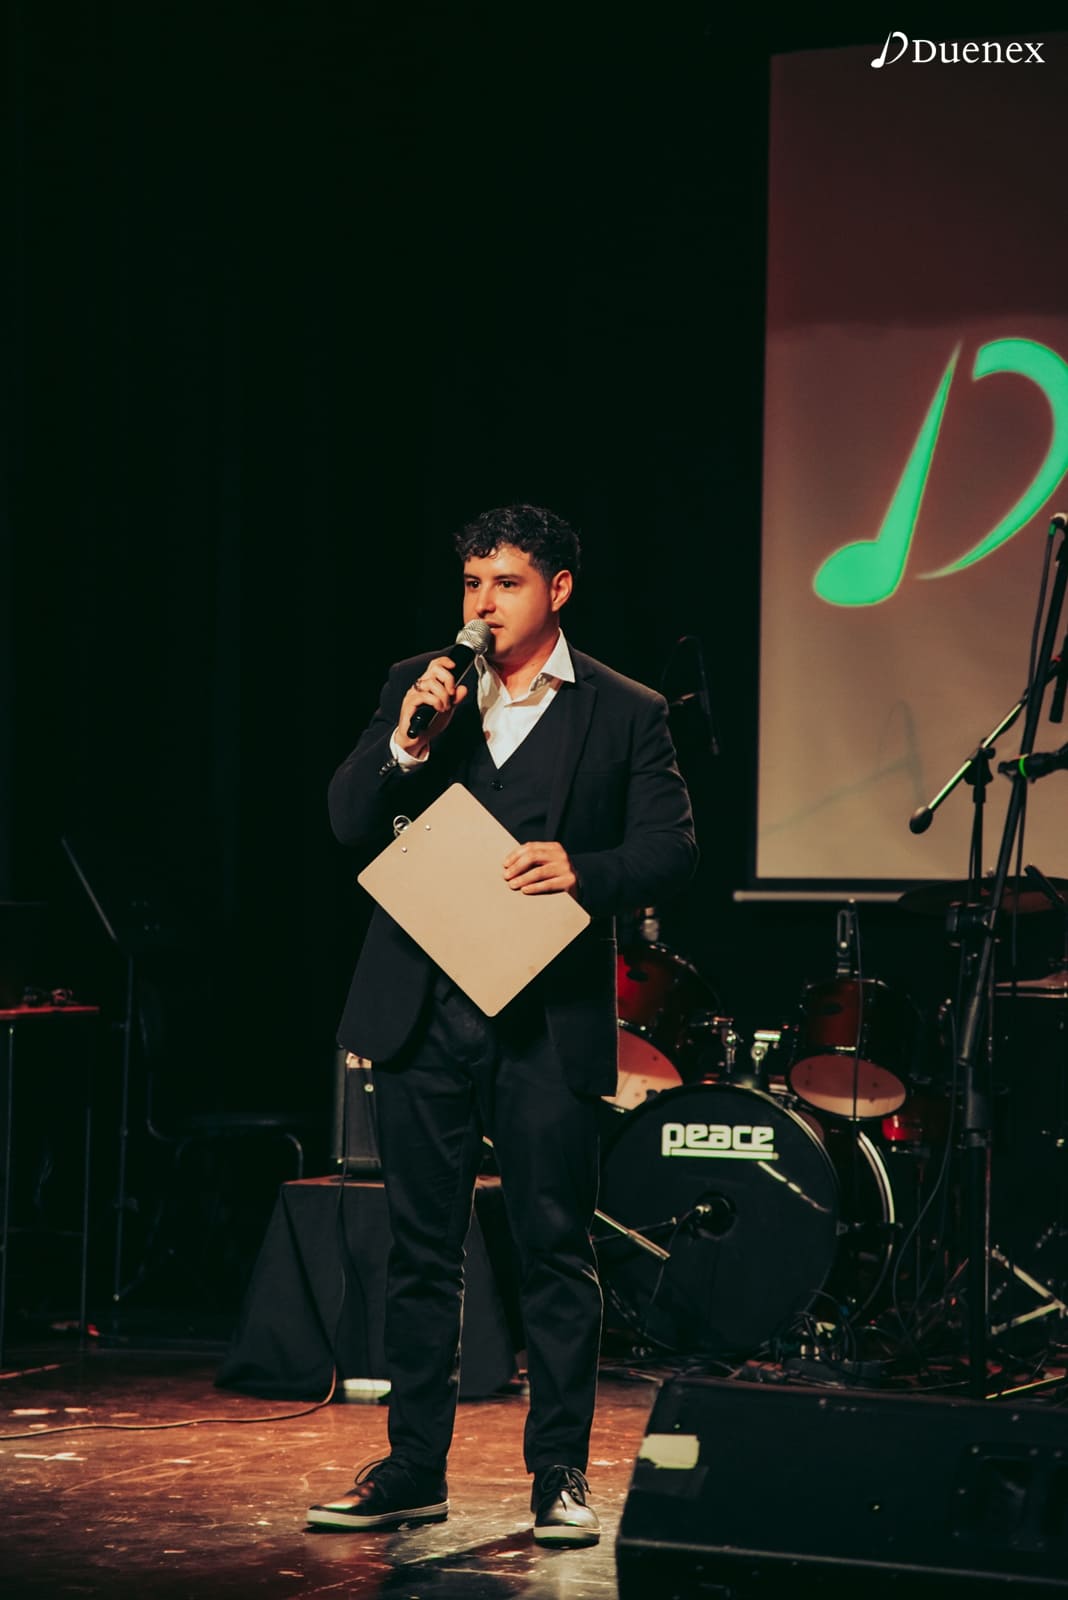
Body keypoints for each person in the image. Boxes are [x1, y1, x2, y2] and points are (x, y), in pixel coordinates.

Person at [308, 504, 697, 1545]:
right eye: (473, 583)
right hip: (422, 1007)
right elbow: (347, 820)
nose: (484, 604)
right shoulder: (420, 684)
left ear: (558, 589)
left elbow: (672, 847)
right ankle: (412, 1468)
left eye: (508, 583)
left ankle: (559, 1472)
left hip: (543, 1016)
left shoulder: (623, 708)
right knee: (419, 1251)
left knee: (554, 1248)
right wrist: (407, 740)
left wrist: (586, 868)